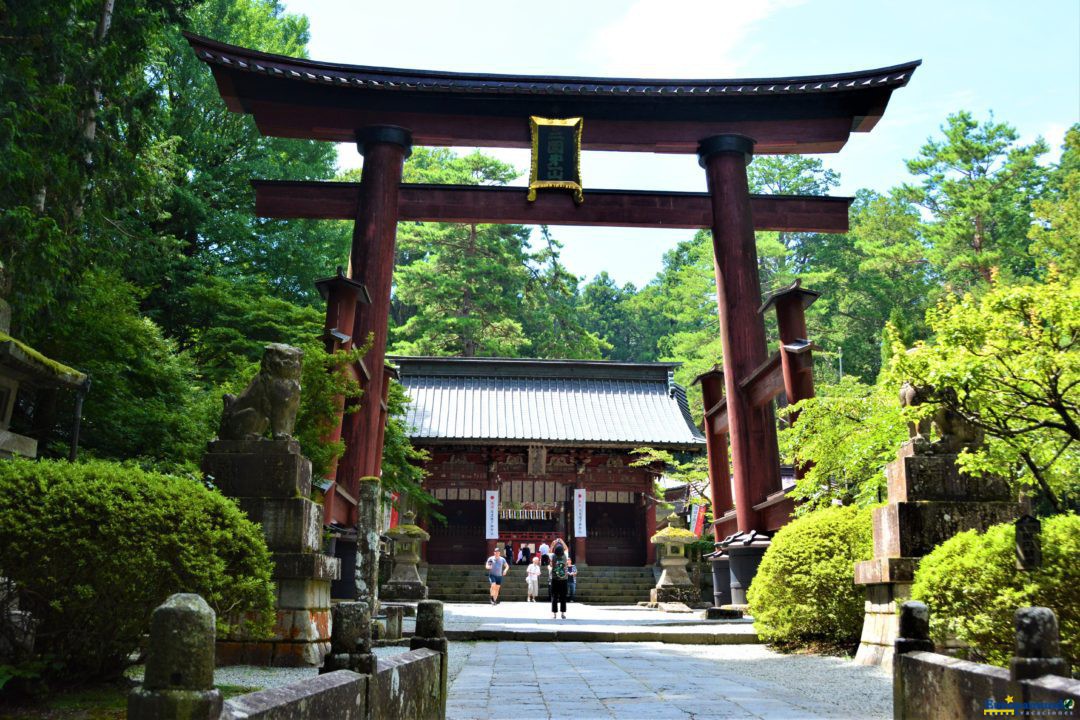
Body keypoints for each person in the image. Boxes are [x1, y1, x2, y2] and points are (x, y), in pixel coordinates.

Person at [548, 543, 569, 619]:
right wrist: (561, 541)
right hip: (564, 579)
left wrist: (553, 543)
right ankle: (563, 613)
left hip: (555, 579)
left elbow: (550, 550)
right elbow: (566, 548)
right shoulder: (565, 556)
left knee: (554, 596)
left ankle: (554, 614)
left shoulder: (553, 556)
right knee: (563, 597)